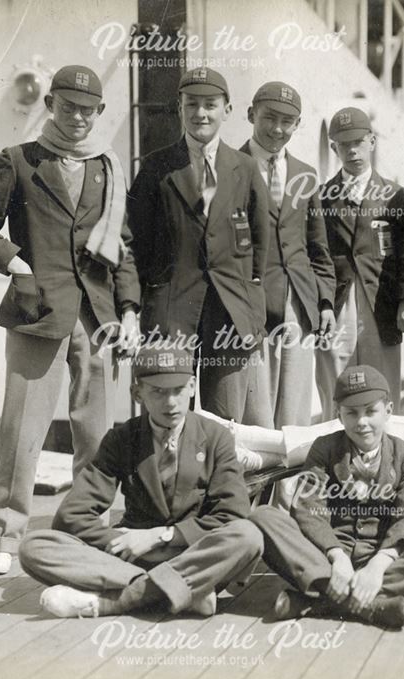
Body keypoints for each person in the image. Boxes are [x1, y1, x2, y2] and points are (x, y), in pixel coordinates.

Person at [0, 65, 140, 575]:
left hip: (97, 316)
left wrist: (128, 310)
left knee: (96, 433)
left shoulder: (108, 168)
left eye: (88, 109)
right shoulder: (18, 161)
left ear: (99, 112)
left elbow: (121, 249)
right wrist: (17, 263)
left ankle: (85, 524)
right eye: (68, 106)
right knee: (22, 429)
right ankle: (4, 534)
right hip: (37, 311)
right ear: (51, 105)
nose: (78, 117)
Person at [18, 344, 264, 618]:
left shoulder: (216, 437)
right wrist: (123, 540)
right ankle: (184, 592)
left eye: (178, 389)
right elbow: (71, 516)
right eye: (158, 391)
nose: (170, 402)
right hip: (135, 558)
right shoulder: (121, 439)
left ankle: (115, 601)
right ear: (137, 393)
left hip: (193, 554)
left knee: (248, 535)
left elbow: (232, 516)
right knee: (34, 546)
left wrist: (160, 538)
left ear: (193, 387)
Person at [250, 365, 404, 629]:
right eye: (352, 413)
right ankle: (371, 605)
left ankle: (318, 601)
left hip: (379, 558)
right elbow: (307, 507)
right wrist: (336, 557)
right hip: (326, 559)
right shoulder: (324, 449)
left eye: (371, 411)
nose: (362, 422)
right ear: (339, 415)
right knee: (263, 517)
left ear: (388, 411)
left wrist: (377, 567)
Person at [127, 67, 270, 422]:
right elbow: (134, 243)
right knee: (167, 416)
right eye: (192, 104)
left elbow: (259, 245)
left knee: (227, 423)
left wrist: (250, 305)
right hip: (172, 311)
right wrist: (139, 301)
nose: (200, 113)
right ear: (179, 107)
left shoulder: (245, 168)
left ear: (227, 109)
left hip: (230, 314)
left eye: (210, 104)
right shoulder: (156, 167)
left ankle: (220, 480)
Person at [239, 81, 336, 428]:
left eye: (287, 122)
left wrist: (325, 302)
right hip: (250, 300)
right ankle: (257, 484)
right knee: (256, 412)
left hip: (299, 303)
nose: (277, 129)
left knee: (294, 413)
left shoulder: (305, 175)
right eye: (269, 118)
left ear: (298, 125)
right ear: (252, 114)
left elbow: (318, 248)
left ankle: (289, 486)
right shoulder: (228, 167)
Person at [314, 107, 404, 418]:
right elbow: (316, 254)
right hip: (337, 302)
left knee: (382, 388)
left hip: (380, 303)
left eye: (359, 141)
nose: (352, 150)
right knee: (336, 387)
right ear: (334, 148)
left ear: (372, 141)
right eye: (343, 144)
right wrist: (322, 303)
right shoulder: (321, 197)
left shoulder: (395, 196)